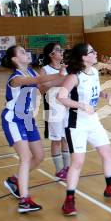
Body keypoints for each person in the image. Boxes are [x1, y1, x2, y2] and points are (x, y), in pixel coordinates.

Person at [57, 43, 111, 216]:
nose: (96, 53)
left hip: (93, 121)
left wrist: (103, 95)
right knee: (78, 163)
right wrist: (81, 105)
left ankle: (110, 187)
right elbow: (61, 97)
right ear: (83, 57)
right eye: (91, 52)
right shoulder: (74, 76)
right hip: (76, 124)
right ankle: (69, 200)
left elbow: (91, 92)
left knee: (107, 152)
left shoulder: (95, 72)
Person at [1, 45, 65, 213]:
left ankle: (14, 180)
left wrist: (67, 77)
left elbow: (43, 87)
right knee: (26, 157)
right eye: (22, 52)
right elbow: (38, 81)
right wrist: (57, 74)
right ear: (15, 59)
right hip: (14, 120)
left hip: (28, 119)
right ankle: (24, 200)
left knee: (39, 156)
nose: (26, 53)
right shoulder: (15, 78)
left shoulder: (31, 72)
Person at [39, 43, 70, 180]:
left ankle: (67, 167)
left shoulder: (67, 68)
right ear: (51, 55)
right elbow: (41, 89)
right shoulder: (44, 70)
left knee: (66, 139)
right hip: (52, 109)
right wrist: (57, 80)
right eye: (58, 50)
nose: (61, 51)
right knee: (56, 139)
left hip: (67, 108)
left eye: (61, 49)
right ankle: (59, 170)